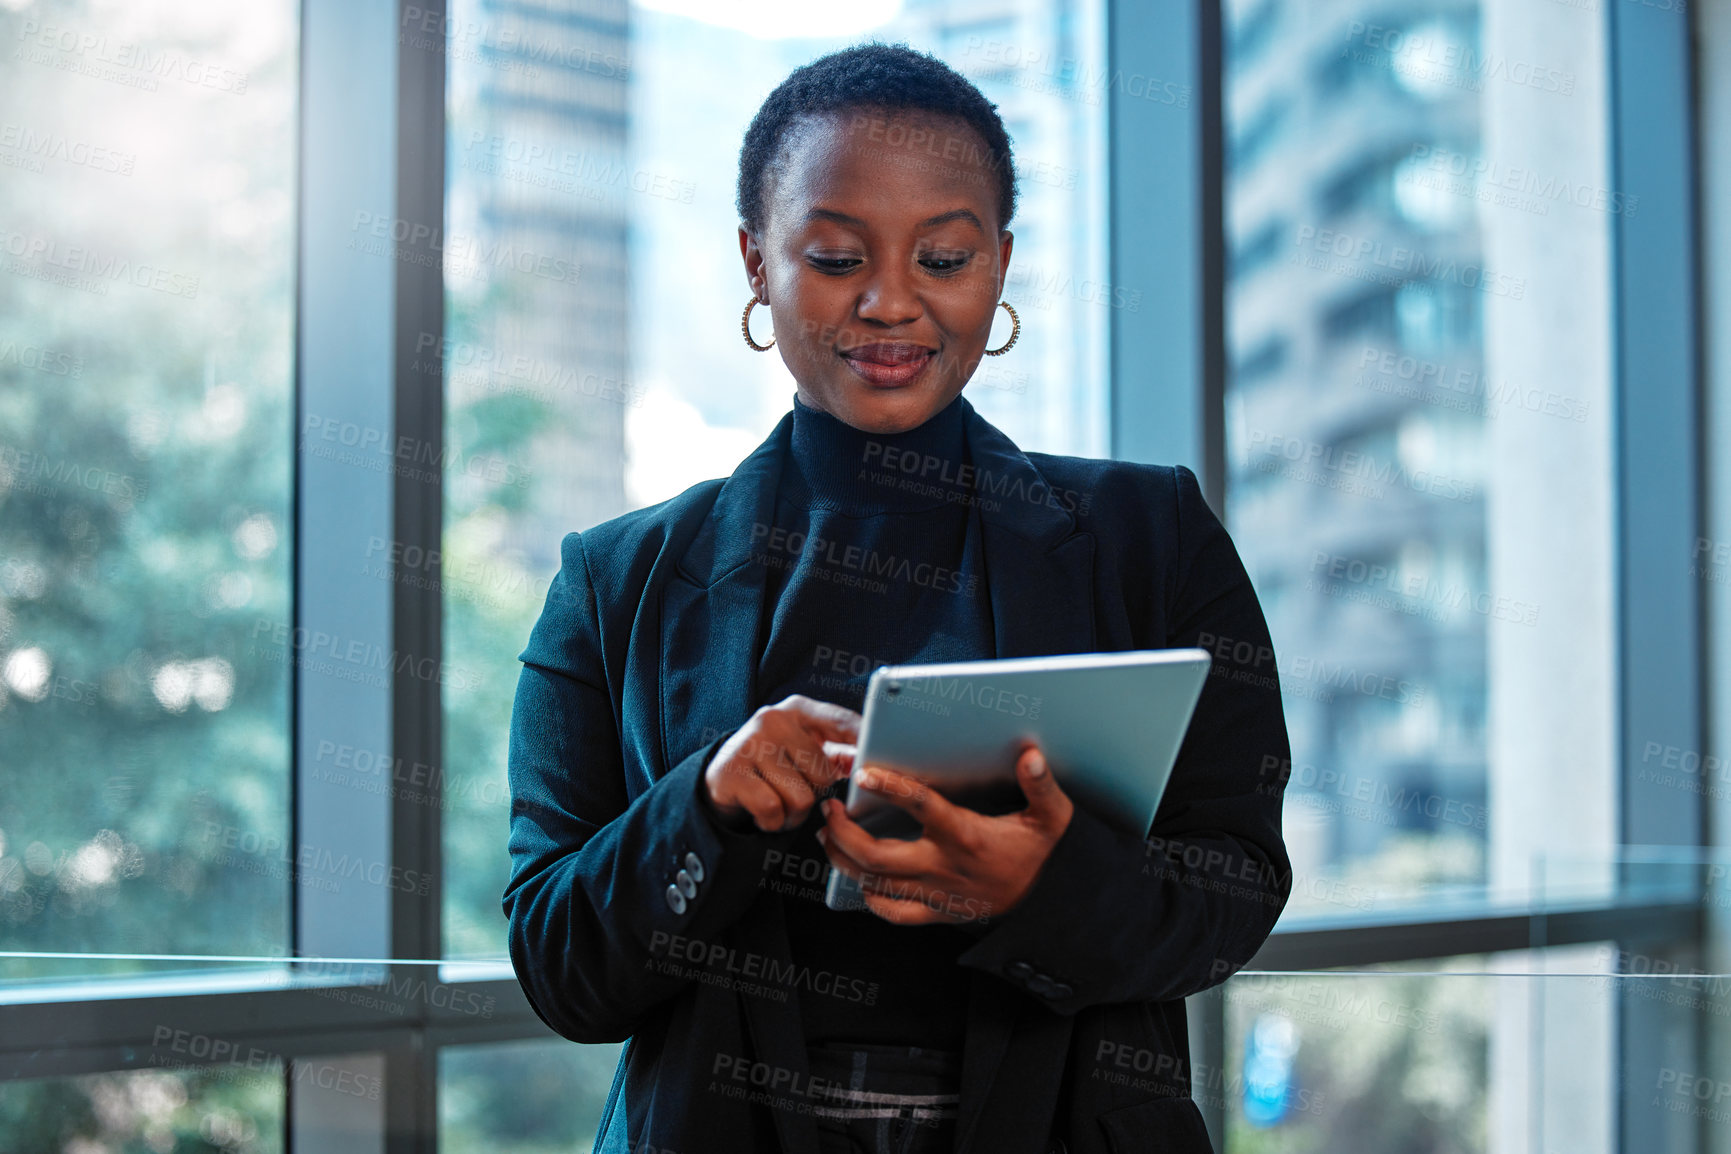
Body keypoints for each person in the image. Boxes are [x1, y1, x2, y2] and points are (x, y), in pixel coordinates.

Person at [504, 42, 1291, 1154]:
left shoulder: (1151, 538)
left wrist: (1048, 883)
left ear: (1001, 264)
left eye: (945, 255)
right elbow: (558, 966)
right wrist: (708, 804)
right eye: (834, 255)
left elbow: (1238, 884)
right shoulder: (614, 579)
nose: (890, 302)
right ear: (755, 260)